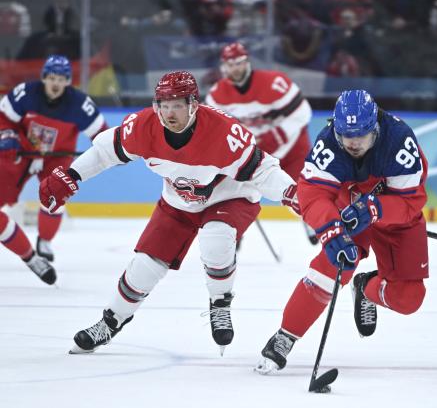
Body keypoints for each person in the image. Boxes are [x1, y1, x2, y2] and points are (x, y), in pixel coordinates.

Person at [38, 71, 299, 355]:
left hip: (231, 195)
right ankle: (110, 322)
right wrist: (72, 174)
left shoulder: (223, 132)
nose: (169, 112)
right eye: (163, 104)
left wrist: (292, 194)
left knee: (216, 238)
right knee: (144, 266)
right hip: (178, 202)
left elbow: (263, 170)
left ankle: (220, 302)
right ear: (155, 106)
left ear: (194, 105)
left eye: (177, 104)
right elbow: (104, 152)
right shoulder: (142, 127)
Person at [255, 90, 429, 374]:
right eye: (346, 134)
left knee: (408, 299)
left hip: (394, 208)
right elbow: (311, 194)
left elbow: (411, 201)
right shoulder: (328, 143)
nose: (353, 142)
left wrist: (376, 208)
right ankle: (286, 335)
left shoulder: (399, 140)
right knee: (332, 265)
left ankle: (367, 289)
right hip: (349, 205)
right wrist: (330, 229)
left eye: (361, 134)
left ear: (375, 127)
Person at [0, 54, 106, 266]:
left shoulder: (80, 104)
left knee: (56, 194)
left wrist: (110, 150)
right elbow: (4, 117)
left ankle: (45, 241)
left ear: (68, 81)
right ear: (44, 77)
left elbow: (103, 135)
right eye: (52, 77)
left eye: (61, 79)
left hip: (56, 157)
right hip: (22, 151)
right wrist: (8, 136)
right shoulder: (26, 93)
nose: (56, 83)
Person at [205, 42, 317, 244]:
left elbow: (303, 112)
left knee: (302, 189)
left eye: (238, 63)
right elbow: (217, 132)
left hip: (292, 148)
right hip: (254, 152)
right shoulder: (216, 96)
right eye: (230, 64)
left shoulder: (274, 83)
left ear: (247, 62)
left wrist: (278, 136)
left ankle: (315, 223)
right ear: (223, 66)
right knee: (233, 193)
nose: (234, 69)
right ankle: (232, 228)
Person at [1, 112, 56, 285]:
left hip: (11, 167)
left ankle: (31, 258)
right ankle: (31, 258)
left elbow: (22, 128)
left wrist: (34, 154)